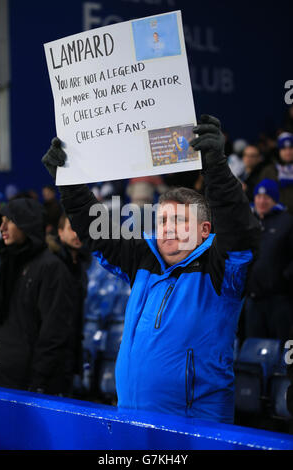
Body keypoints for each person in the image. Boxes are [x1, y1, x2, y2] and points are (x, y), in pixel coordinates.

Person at [42, 114, 260, 424]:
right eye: (162, 221)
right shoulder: (144, 259)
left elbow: (239, 230)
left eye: (180, 221)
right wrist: (69, 183)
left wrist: (215, 166)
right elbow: (97, 232)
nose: (168, 229)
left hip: (193, 429)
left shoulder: (220, 269)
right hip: (131, 421)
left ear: (204, 230)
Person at [0, 197, 75, 394]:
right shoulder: (6, 265)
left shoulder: (51, 269)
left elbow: (54, 332)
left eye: (9, 220)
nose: (2, 226)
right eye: (0, 220)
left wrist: (38, 381)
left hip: (29, 385)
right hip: (0, 377)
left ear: (26, 224)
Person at [244, 179, 293, 343]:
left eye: (267, 197)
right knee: (253, 347)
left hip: (279, 300)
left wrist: (284, 279)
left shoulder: (287, 221)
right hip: (252, 299)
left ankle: (283, 369)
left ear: (274, 200)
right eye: (258, 196)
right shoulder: (249, 221)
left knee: (281, 347)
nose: (261, 201)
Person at [47, 213, 91, 394]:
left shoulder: (81, 265)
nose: (77, 234)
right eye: (72, 228)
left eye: (81, 229)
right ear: (60, 231)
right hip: (51, 353)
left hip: (71, 350)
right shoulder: (51, 264)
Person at [259, 132, 293, 213]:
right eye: (284, 149)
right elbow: (260, 194)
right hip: (275, 217)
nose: (288, 152)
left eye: (291, 148)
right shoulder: (269, 171)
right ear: (278, 151)